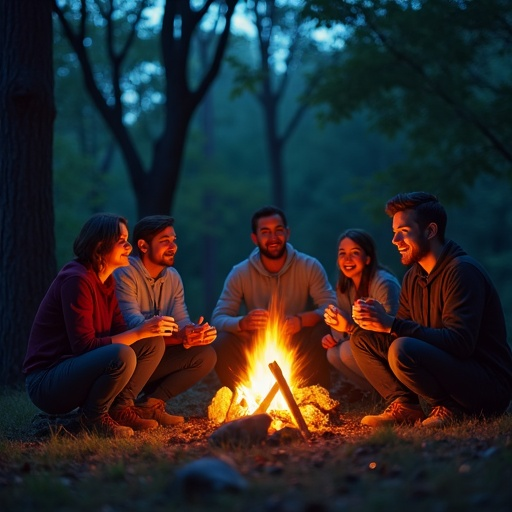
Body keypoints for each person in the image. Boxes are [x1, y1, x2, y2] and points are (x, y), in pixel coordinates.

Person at [350, 192, 512, 428]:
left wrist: (392, 324)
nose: (395, 239)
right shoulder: (413, 277)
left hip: (486, 384)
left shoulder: (462, 271)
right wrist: (376, 321)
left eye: (404, 232)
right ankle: (405, 406)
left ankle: (451, 407)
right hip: (452, 370)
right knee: (362, 338)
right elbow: (404, 328)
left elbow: (460, 343)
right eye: (394, 232)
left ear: (430, 231)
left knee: (402, 348)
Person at [23, 213, 180, 438]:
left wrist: (147, 332)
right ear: (100, 245)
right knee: (122, 354)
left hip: (75, 369)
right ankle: (93, 417)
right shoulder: (77, 280)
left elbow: (118, 330)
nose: (128, 246)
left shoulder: (105, 280)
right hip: (47, 381)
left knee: (152, 342)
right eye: (121, 241)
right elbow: (84, 346)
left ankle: (119, 409)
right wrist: (139, 330)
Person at [211, 205, 337, 391]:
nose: (273, 238)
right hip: (256, 348)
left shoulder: (309, 266)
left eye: (278, 231)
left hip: (298, 345)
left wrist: (301, 321)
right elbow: (218, 318)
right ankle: (244, 396)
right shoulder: (240, 272)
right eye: (265, 232)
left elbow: (331, 307)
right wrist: (243, 323)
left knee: (322, 329)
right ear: (255, 238)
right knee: (221, 341)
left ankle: (312, 392)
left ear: (287, 233)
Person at [114, 215, 217, 426]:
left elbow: (181, 322)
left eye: (174, 240)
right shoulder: (125, 273)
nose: (173, 246)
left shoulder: (173, 277)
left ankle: (151, 405)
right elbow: (134, 325)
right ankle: (120, 407)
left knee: (206, 354)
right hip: (126, 358)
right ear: (143, 245)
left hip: (156, 357)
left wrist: (194, 333)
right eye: (165, 241)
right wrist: (179, 336)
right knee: (152, 340)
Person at [322, 229, 401, 400]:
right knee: (333, 353)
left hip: (393, 349)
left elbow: (392, 330)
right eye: (342, 253)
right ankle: (377, 393)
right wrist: (335, 336)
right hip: (361, 343)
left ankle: (398, 391)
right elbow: (341, 327)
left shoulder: (384, 284)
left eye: (355, 253)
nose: (347, 259)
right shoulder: (345, 287)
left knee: (346, 351)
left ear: (367, 258)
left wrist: (349, 329)